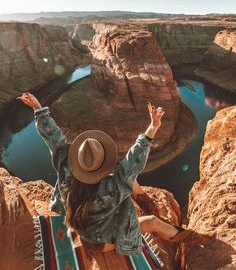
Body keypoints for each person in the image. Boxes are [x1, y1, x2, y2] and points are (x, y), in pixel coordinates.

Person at [17, 92, 213, 256]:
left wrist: (38, 109)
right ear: (101, 165)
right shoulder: (111, 188)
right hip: (99, 243)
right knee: (153, 222)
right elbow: (133, 162)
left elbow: (54, 139)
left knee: (128, 181)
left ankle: (146, 204)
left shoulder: (65, 167)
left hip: (76, 224)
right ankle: (189, 239)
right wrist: (152, 128)